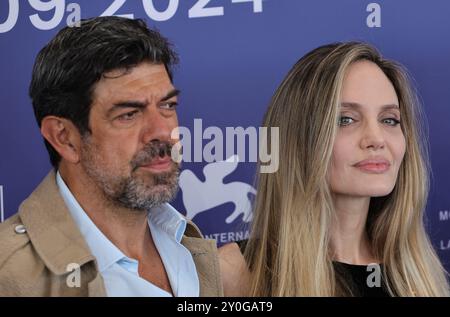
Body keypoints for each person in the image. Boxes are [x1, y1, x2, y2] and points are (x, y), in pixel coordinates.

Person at [0, 16, 223, 297]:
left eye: (167, 105)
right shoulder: (9, 276)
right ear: (64, 138)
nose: (163, 132)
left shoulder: (185, 242)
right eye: (128, 114)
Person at [223, 42, 450, 296]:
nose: (376, 139)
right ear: (298, 139)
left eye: (389, 120)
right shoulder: (235, 272)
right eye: (346, 119)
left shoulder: (417, 275)